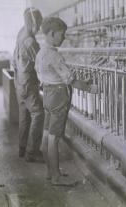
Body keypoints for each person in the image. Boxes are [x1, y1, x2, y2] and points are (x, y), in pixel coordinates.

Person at [35, 17, 94, 186]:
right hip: (59, 96)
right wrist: (90, 88)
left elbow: (43, 75)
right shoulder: (54, 55)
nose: (64, 38)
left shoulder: (41, 53)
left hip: (47, 93)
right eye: (62, 34)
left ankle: (50, 171)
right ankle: (56, 177)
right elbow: (70, 80)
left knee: (47, 134)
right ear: (52, 34)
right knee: (55, 138)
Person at [12, 8, 44, 162]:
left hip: (19, 80)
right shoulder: (30, 41)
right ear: (33, 23)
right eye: (38, 25)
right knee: (38, 113)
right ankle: (32, 152)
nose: (38, 28)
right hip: (28, 82)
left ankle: (22, 147)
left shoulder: (20, 33)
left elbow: (14, 59)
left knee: (24, 115)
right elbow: (41, 62)